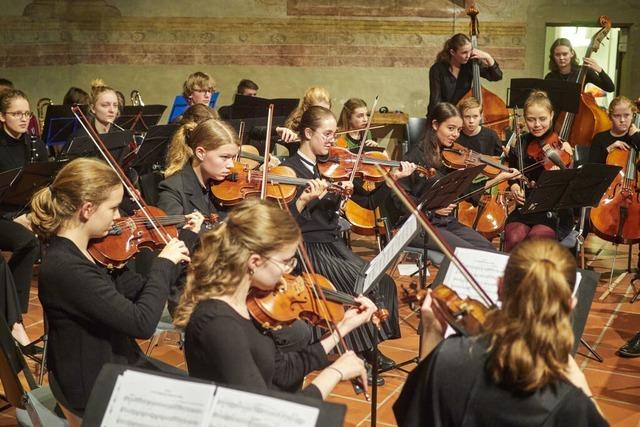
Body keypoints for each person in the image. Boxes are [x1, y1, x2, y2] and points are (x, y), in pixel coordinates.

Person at [30, 157, 202, 413]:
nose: (119, 217)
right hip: (93, 387)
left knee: (199, 394)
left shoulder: (91, 252)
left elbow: (142, 292)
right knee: (195, 405)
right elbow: (141, 323)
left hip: (116, 364)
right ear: (87, 209)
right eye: (113, 208)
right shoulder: (66, 267)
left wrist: (184, 240)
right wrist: (163, 264)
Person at [393, 238, 608, 426]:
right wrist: (582, 387)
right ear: (569, 305)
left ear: (500, 286)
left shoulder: (448, 358)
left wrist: (431, 333)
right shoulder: (568, 404)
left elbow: (416, 416)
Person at [175, 198, 375, 399]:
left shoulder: (245, 305)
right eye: (286, 262)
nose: (289, 271)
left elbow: (281, 371)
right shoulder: (219, 324)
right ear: (254, 261)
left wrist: (343, 327)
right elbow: (262, 413)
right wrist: (334, 373)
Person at [283, 105, 416, 377]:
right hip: (307, 247)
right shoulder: (289, 170)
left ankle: (370, 346)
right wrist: (304, 200)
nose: (333, 141)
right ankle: (355, 353)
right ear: (308, 133)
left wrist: (391, 180)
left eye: (334, 134)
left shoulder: (332, 166)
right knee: (357, 285)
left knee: (383, 280)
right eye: (327, 134)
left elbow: (367, 203)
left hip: (333, 243)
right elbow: (283, 225)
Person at [397, 102, 515, 253]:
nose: (455, 134)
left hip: (446, 222)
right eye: (450, 128)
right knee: (469, 253)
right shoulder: (414, 156)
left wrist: (499, 178)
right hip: (419, 224)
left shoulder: (449, 155)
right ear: (435, 125)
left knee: (489, 249)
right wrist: (431, 208)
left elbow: (466, 191)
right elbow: (399, 199)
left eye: (459, 130)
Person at [0, 89, 49, 346]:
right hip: (3, 216)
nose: (23, 118)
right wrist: (13, 218)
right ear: (1, 116)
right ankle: (15, 319)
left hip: (26, 212)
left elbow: (44, 185)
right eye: (16, 113)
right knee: (27, 242)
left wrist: (34, 214)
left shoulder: (34, 144)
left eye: (26, 113)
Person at [504, 90, 573, 252]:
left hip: (553, 212)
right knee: (514, 237)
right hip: (525, 208)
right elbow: (513, 173)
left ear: (551, 115)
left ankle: (536, 277)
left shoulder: (562, 146)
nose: (536, 125)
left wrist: (559, 175)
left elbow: (569, 188)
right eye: (531, 119)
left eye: (542, 119)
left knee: (536, 240)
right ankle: (512, 276)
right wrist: (514, 186)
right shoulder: (520, 143)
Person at [427, 33, 502, 119]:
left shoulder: (470, 64)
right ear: (452, 52)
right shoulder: (437, 69)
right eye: (464, 52)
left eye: (470, 51)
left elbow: (497, 76)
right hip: (443, 116)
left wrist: (488, 57)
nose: (468, 55)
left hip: (463, 117)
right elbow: (435, 101)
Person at [545, 38, 615, 93]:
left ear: (572, 53)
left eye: (565, 54)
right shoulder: (550, 77)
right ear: (553, 56)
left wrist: (600, 70)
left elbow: (610, 88)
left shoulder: (583, 72)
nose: (561, 58)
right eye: (557, 54)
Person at [588, 96, 638, 164]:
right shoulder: (599, 138)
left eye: (626, 115)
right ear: (610, 117)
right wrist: (610, 148)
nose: (622, 120)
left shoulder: (636, 136)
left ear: (633, 116)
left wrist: (636, 136)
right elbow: (591, 167)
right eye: (617, 116)